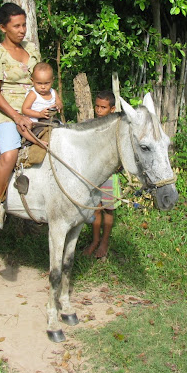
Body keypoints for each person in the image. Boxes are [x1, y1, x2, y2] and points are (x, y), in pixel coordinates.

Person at [0, 3, 41, 228]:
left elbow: (40, 77)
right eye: (16, 26)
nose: (22, 30)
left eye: (24, 24)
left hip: (36, 105)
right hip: (8, 110)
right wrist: (16, 117)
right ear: (3, 27)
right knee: (9, 154)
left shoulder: (32, 48)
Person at [83, 90, 120, 258]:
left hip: (110, 176)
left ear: (112, 109)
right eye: (97, 106)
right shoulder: (90, 125)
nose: (99, 110)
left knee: (108, 210)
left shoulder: (117, 128)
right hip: (93, 175)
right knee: (95, 209)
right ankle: (95, 240)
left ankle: (104, 242)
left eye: (103, 107)